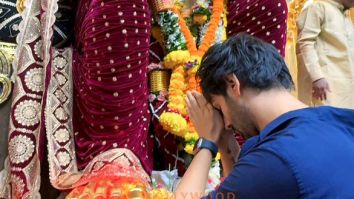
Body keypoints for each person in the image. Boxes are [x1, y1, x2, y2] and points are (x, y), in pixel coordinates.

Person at [174, 34, 354, 198]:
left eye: (219, 107)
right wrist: (226, 143)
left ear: (232, 84)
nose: (227, 124)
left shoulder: (275, 158)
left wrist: (208, 142)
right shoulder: (342, 121)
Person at [296, 0, 354, 108]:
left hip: (346, 86)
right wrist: (317, 77)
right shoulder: (317, 7)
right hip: (325, 86)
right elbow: (305, 43)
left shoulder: (345, 14)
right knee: (325, 120)